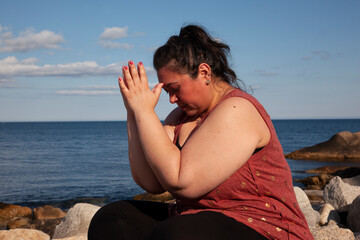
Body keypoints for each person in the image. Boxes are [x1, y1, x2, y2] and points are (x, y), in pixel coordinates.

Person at [88, 25, 313, 240]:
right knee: (112, 218)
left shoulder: (238, 109)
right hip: (192, 219)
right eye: (166, 91)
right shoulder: (178, 119)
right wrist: (134, 111)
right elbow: (150, 181)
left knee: (179, 234)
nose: (172, 99)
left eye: (175, 89)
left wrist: (146, 112)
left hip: (261, 226)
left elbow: (181, 181)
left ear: (204, 72)